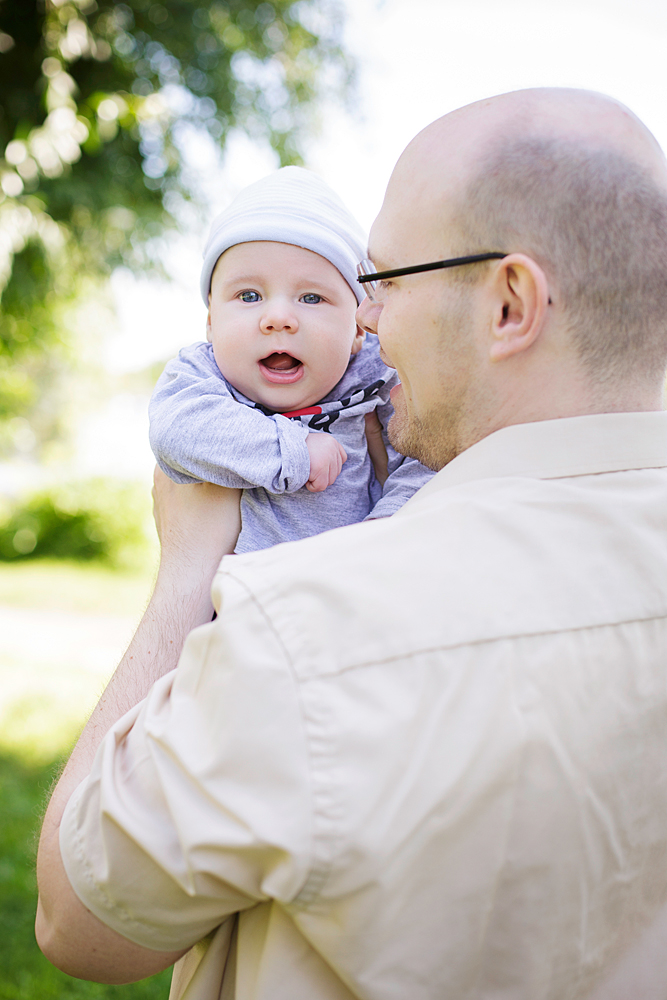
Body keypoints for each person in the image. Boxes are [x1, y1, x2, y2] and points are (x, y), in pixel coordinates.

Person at [36, 87, 667, 1000]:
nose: (366, 320)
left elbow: (78, 921)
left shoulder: (315, 629)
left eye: (385, 281)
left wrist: (184, 573)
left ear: (509, 304)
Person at [149, 167, 432, 554]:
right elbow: (176, 432)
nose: (278, 318)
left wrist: (386, 527)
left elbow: (426, 458)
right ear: (211, 322)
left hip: (353, 588)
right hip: (236, 602)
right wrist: (292, 451)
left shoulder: (376, 378)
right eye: (249, 296)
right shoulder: (202, 375)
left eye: (312, 298)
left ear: (357, 330)